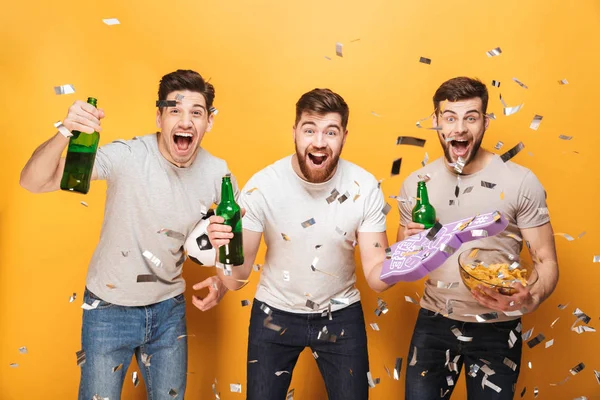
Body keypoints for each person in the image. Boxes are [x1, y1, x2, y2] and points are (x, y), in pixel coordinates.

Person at [19, 70, 232, 400]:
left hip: (168, 312)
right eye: (174, 110)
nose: (186, 121)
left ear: (209, 121)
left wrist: (221, 280)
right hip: (107, 310)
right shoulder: (127, 157)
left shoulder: (218, 173)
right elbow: (33, 181)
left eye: (196, 112)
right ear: (159, 116)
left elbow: (237, 239)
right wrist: (65, 132)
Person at [199, 88, 391, 399]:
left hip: (340, 316)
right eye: (309, 130)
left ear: (344, 135)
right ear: (295, 132)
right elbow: (236, 281)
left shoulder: (364, 186)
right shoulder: (262, 186)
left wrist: (412, 256)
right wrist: (224, 249)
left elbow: (376, 277)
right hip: (273, 314)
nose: (319, 141)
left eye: (331, 131)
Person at [396, 77, 559, 400]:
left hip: (498, 327)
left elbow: (546, 260)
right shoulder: (417, 185)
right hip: (434, 322)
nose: (459, 128)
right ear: (436, 123)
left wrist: (531, 297)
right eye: (450, 117)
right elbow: (402, 259)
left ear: (485, 122)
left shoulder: (520, 182)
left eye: (470, 117)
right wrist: (406, 244)